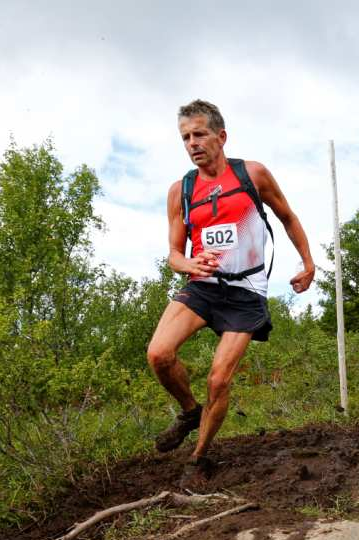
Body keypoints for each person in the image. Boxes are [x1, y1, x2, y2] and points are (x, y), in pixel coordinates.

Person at [147, 99, 315, 487]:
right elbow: (174, 253)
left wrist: (307, 263)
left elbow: (288, 217)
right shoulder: (181, 191)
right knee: (158, 354)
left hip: (245, 292)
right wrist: (188, 264)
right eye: (185, 137)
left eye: (200, 134)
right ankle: (190, 412)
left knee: (218, 379)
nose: (192, 143)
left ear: (221, 136)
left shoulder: (252, 175)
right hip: (203, 287)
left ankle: (198, 458)